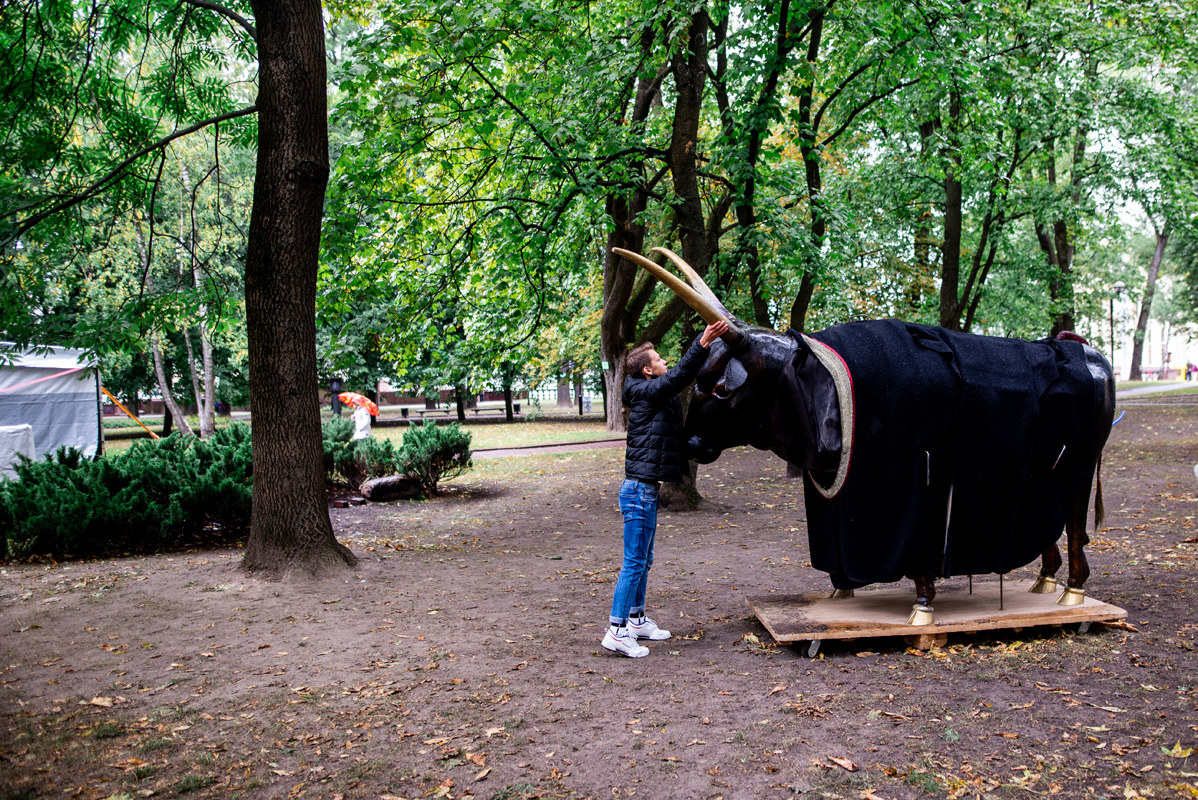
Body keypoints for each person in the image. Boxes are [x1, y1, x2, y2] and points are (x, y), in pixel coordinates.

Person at [603, 318, 729, 657]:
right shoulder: (647, 391)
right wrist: (701, 343)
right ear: (647, 371)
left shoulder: (655, 396)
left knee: (644, 561)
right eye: (659, 359)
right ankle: (616, 630)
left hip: (646, 489)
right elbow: (676, 379)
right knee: (634, 562)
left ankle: (636, 620)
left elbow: (677, 407)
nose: (664, 362)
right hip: (638, 491)